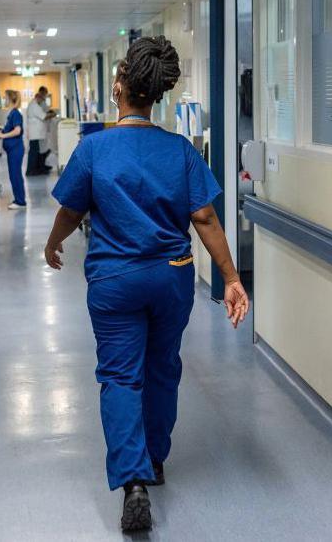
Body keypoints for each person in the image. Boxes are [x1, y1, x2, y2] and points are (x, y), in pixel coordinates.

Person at [44, 36, 250, 532]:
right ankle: (155, 460)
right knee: (162, 369)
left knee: (119, 375)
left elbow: (72, 210)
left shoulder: (94, 148)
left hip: (115, 279)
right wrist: (231, 278)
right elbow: (203, 217)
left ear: (119, 89)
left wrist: (52, 244)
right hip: (172, 278)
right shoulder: (178, 150)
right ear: (156, 95)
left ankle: (132, 480)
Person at [0, 90, 27, 210]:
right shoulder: (12, 114)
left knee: (15, 175)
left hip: (16, 148)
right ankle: (19, 199)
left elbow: (17, 131)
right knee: (13, 175)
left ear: (10, 99)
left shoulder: (15, 113)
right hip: (13, 149)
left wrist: (1, 136)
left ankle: (20, 202)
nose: (4, 100)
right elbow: (9, 129)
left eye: (5, 98)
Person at [26, 86, 52, 175]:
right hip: (35, 134)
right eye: (42, 98)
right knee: (33, 153)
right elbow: (44, 116)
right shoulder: (34, 105)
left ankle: (35, 168)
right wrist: (53, 114)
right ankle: (31, 170)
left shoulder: (35, 104)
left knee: (36, 152)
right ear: (38, 97)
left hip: (37, 133)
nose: (42, 100)